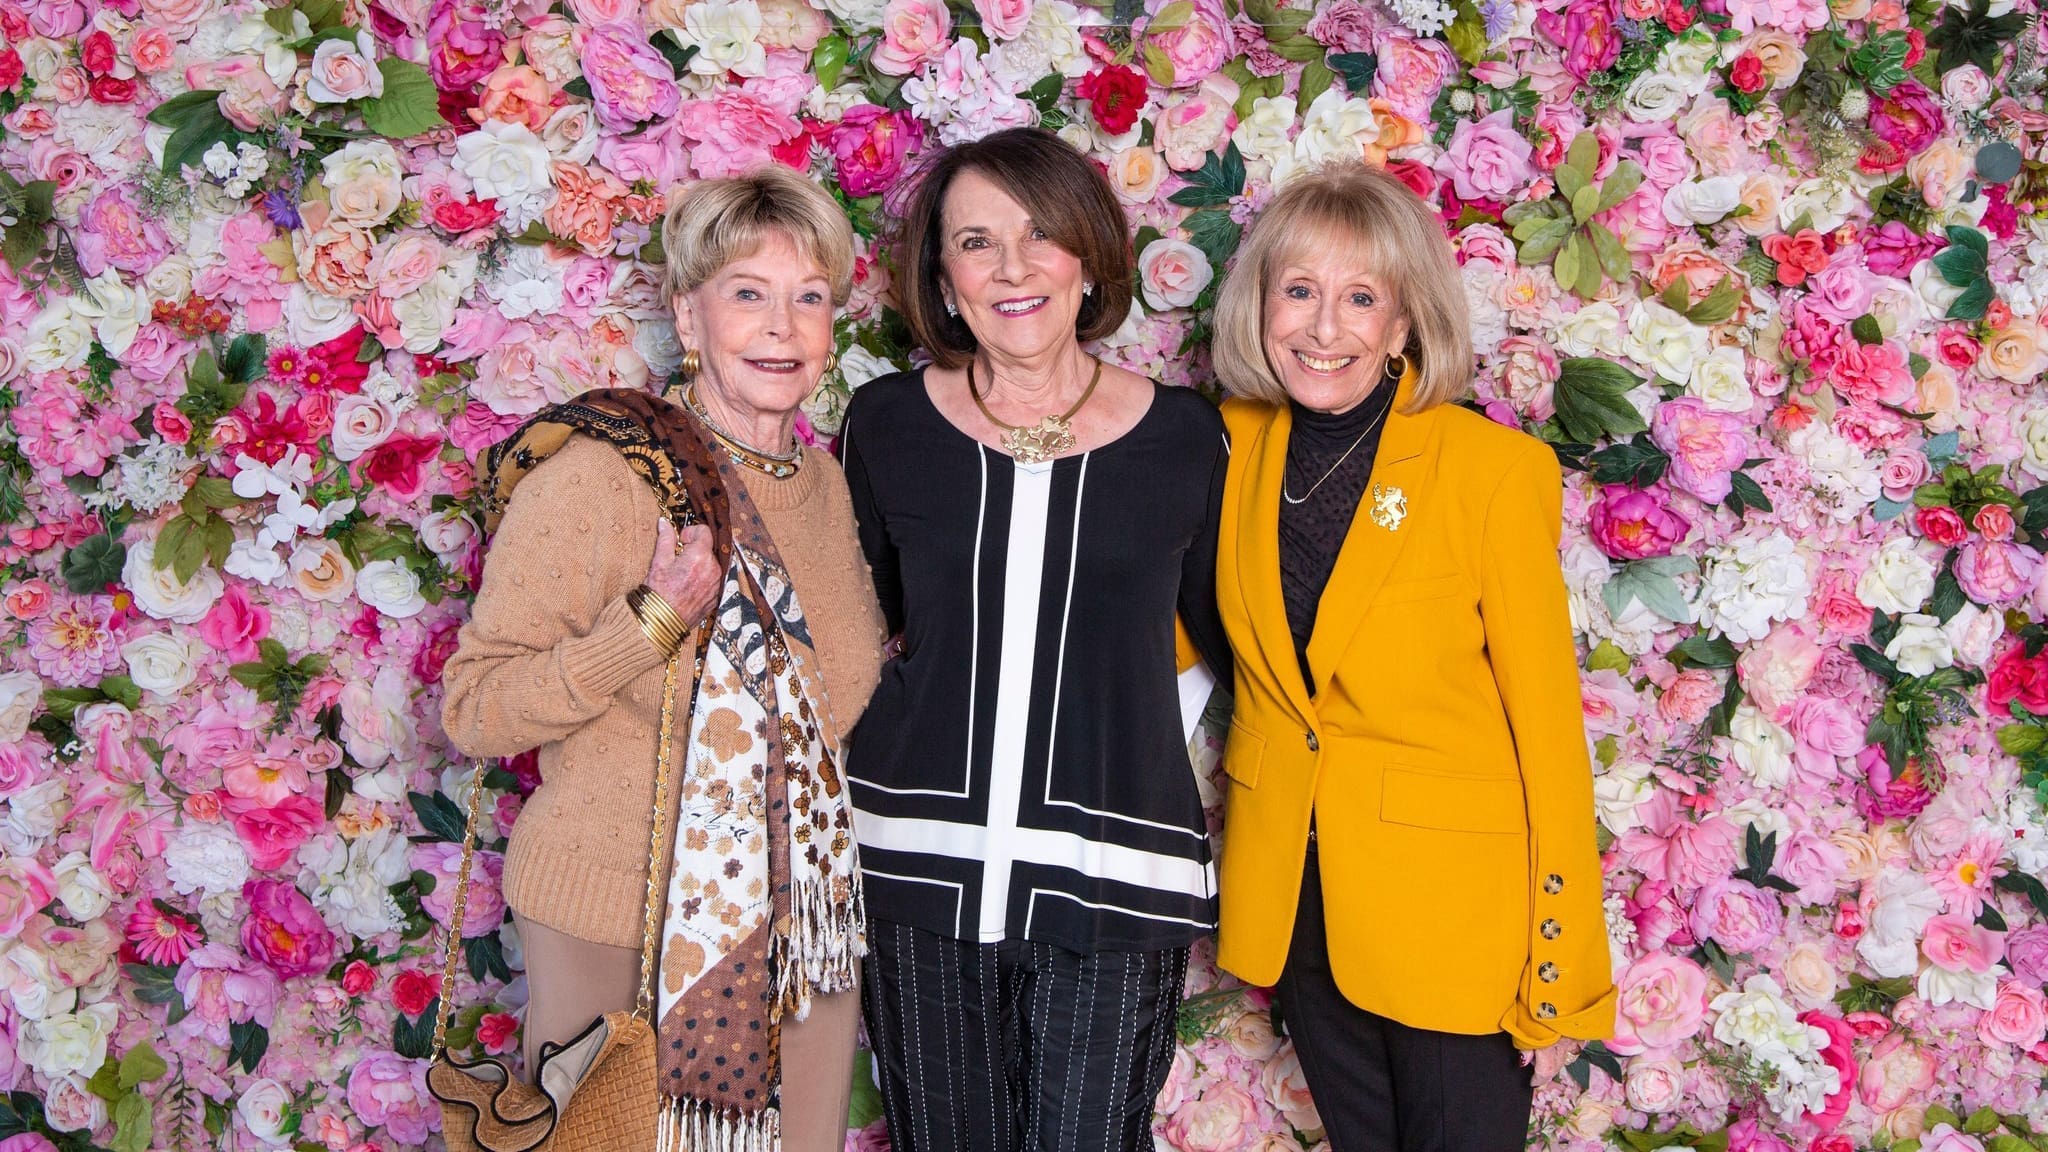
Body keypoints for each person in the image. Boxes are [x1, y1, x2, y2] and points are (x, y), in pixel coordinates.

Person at [440, 167, 884, 1151]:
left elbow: (831, 698)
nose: (781, 327)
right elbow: (476, 708)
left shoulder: (823, 484)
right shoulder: (602, 476)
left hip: (800, 924)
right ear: (688, 315)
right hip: (614, 921)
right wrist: (645, 625)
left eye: (809, 297)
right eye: (748, 293)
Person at [838, 126, 1232, 1152]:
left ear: (1088, 259)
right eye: (976, 242)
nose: (1012, 268)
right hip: (917, 863)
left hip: (1118, 869)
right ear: (943, 279)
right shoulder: (885, 425)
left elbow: (1225, 640)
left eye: (1038, 235)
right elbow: (861, 626)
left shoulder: (1186, 438)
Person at [1208, 160, 1615, 1151]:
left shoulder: (1492, 473)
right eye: (1298, 291)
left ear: (1402, 325)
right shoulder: (1222, 447)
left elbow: (1549, 736)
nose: (1323, 327)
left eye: (1361, 298)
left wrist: (1559, 972)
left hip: (1453, 922)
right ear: (1260, 306)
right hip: (1298, 910)